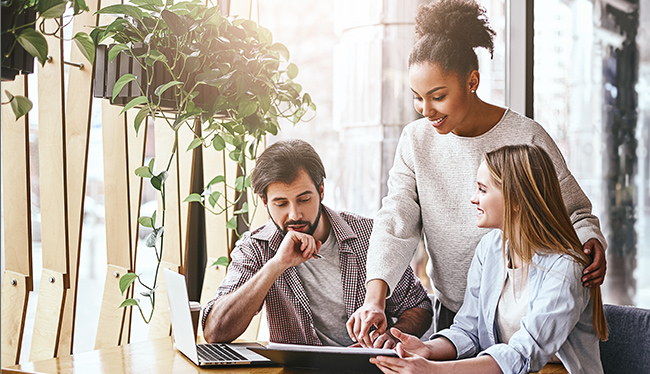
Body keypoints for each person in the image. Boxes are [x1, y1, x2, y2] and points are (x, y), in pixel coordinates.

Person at [347, 0, 607, 347]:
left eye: (438, 96)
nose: (426, 110)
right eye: (417, 98)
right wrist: (374, 299)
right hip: (460, 318)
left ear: (472, 81)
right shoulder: (415, 140)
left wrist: (589, 238)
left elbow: (573, 211)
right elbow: (396, 221)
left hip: (526, 313)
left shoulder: (526, 136)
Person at [371, 144, 608, 374]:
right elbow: (469, 331)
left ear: (516, 201)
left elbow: (523, 355)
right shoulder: (490, 248)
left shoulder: (567, 266)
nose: (473, 199)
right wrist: (428, 349)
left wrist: (434, 371)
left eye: (482, 189)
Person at [201, 139, 433, 348]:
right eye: (281, 203)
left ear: (321, 190)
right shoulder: (255, 248)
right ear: (264, 202)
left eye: (304, 199)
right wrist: (276, 265)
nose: (295, 214)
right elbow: (215, 331)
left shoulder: (369, 235)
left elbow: (419, 306)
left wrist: (393, 337)